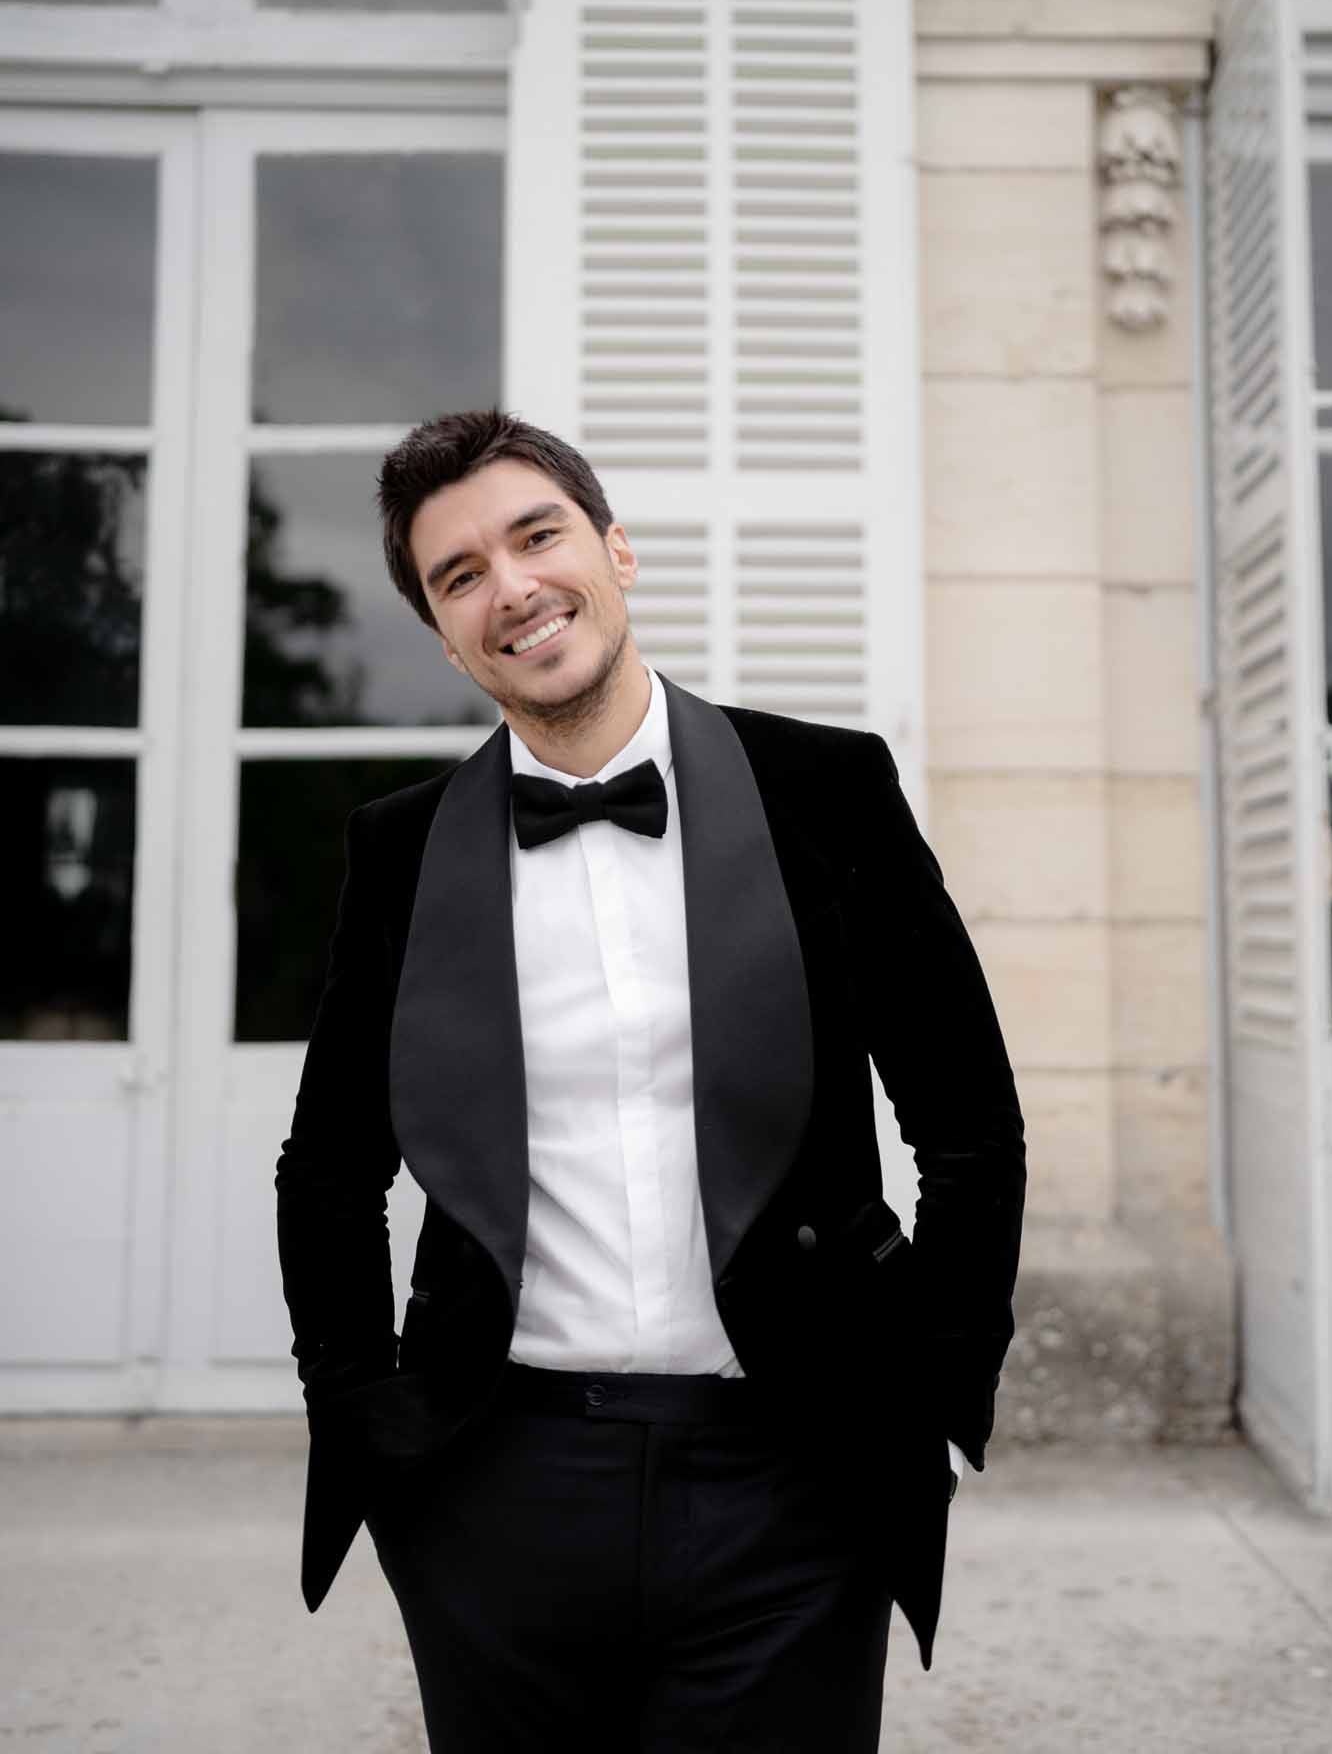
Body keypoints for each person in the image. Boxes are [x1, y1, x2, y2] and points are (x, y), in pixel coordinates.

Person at [276, 409, 1026, 1753]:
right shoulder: (400, 853)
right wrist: (365, 1414)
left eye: (535, 536)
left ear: (614, 550)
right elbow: (330, 1171)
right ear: (444, 633)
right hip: (493, 1482)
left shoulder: (826, 789)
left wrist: (933, 1393)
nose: (508, 587)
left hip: (793, 1479)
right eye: (458, 576)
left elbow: (966, 1118)